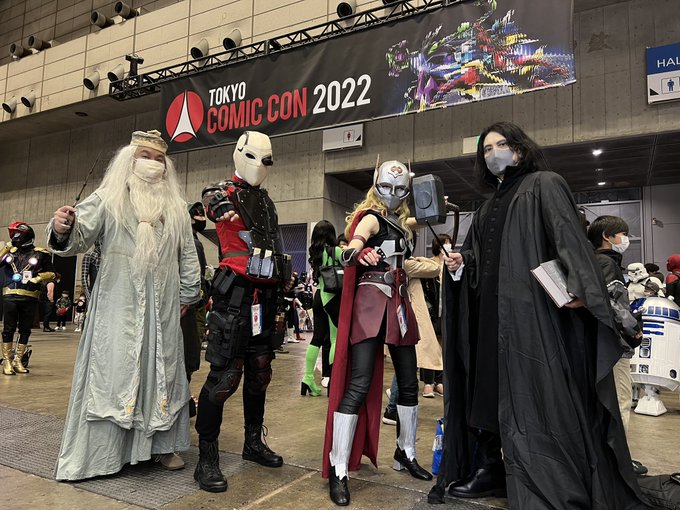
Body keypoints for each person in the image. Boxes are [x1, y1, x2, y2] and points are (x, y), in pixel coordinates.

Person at [430, 122, 649, 509]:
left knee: (536, 392)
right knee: (487, 388)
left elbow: (567, 237)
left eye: (500, 145)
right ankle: (492, 469)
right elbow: (480, 256)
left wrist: (582, 287)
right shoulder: (486, 207)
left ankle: (542, 472)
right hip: (490, 314)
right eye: (485, 149)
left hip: (533, 315)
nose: (492, 153)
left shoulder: (544, 184)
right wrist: (462, 263)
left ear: (518, 150)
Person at [49, 129, 201, 480]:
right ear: (129, 160)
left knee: (162, 374)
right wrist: (62, 228)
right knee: (114, 375)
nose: (152, 164)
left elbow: (188, 257)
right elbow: (77, 237)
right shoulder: (109, 198)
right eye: (145, 156)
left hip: (163, 309)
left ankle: (161, 447)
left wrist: (187, 295)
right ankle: (107, 454)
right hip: (118, 307)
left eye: (159, 158)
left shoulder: (176, 208)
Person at [323, 160, 431, 507]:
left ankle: (405, 452)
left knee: (409, 382)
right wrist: (358, 249)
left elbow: (419, 220)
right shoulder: (370, 217)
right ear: (376, 185)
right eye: (388, 187)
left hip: (398, 302)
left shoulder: (401, 222)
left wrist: (434, 203)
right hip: (371, 301)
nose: (393, 194)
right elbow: (354, 241)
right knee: (358, 384)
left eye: (400, 189)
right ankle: (339, 466)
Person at [193, 131, 293, 494]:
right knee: (224, 378)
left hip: (266, 298)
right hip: (234, 297)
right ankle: (207, 458)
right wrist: (214, 201)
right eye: (254, 157)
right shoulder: (223, 192)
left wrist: (283, 279)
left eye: (267, 160)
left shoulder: (267, 202)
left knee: (259, 373)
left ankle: (253, 442)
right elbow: (209, 197)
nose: (259, 166)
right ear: (239, 154)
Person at [587, 215, 648, 476]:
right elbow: (614, 305)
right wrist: (634, 331)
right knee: (621, 401)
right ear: (607, 237)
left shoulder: (588, 261)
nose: (625, 239)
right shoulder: (607, 263)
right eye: (622, 234)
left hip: (593, 345)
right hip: (613, 346)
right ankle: (618, 462)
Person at [1, 222, 55, 375]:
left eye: (17, 234)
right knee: (8, 329)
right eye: (13, 235)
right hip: (10, 294)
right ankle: (7, 361)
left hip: (29, 295)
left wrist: (38, 278)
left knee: (25, 329)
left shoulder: (41, 254)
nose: (14, 237)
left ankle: (18, 360)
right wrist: (6, 248)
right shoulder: (10, 253)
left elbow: (52, 273)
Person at [301, 220, 342, 397]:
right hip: (332, 299)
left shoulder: (314, 253)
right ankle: (333, 381)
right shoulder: (336, 251)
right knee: (334, 339)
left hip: (318, 297)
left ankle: (308, 378)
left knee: (316, 339)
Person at [181, 202, 209, 417]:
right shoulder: (193, 243)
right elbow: (197, 279)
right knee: (189, 355)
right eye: (198, 217)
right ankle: (185, 402)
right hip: (191, 307)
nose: (203, 220)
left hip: (185, 305)